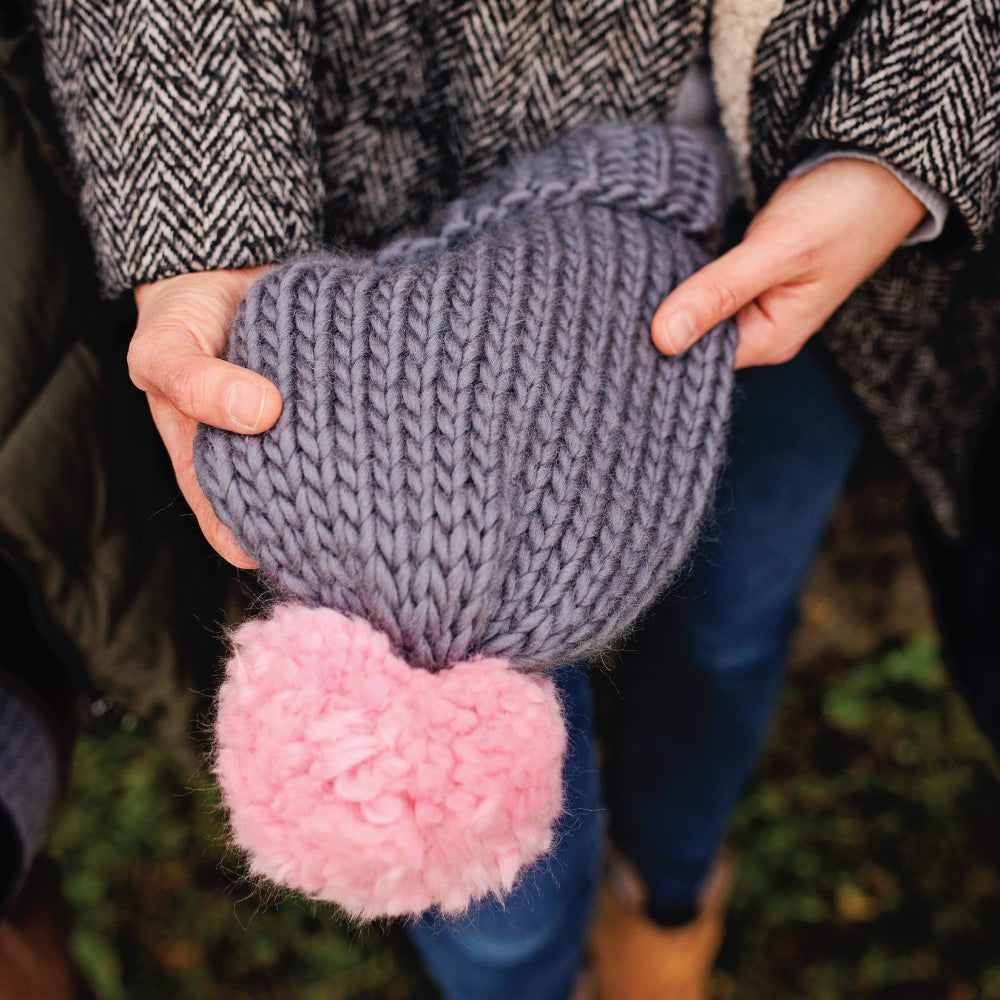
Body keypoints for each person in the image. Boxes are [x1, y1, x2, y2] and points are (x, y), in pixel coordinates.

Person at [3, 1, 998, 999]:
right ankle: (517, 978)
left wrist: (898, 133)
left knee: (730, 626)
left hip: (790, 203)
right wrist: (204, 214)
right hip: (397, 285)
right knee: (446, 783)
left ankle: (663, 894)